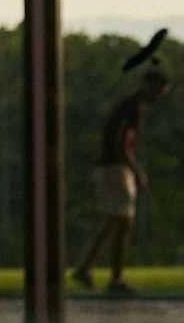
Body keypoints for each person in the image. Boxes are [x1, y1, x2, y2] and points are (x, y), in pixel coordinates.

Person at [69, 68, 171, 295]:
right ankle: (115, 279)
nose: (158, 96)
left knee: (114, 221)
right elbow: (120, 142)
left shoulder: (131, 106)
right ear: (148, 84)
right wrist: (136, 171)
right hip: (114, 168)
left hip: (114, 167)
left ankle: (85, 269)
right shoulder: (131, 107)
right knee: (122, 222)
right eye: (158, 90)